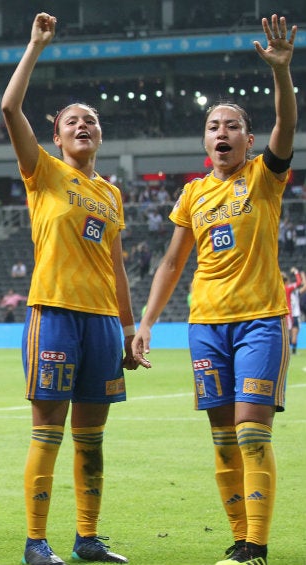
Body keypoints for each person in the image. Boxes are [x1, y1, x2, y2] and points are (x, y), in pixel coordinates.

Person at [133, 15, 297, 565]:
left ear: (248, 139)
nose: (221, 133)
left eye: (231, 126)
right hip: (205, 325)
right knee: (224, 438)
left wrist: (282, 75)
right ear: (205, 140)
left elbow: (286, 126)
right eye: (212, 126)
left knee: (252, 433)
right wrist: (148, 323)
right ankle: (237, 537)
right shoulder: (193, 194)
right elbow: (172, 262)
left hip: (260, 320)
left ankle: (256, 544)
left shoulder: (264, 178)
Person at [1, 13, 140, 565]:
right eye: (73, 122)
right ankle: (36, 541)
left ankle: (87, 537)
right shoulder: (45, 174)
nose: (84, 125)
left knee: (92, 437)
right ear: (56, 136)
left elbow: (117, 265)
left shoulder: (110, 194)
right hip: (54, 313)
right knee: (48, 431)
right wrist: (35, 46)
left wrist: (129, 330)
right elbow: (10, 110)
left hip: (103, 322)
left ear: (100, 135)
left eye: (92, 121)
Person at [282, 268, 302, 353]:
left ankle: (284, 349)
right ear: (286, 281)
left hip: (280, 313)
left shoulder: (277, 288)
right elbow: (299, 283)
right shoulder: (287, 288)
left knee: (284, 332)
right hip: (287, 313)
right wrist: (296, 272)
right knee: (289, 332)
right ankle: (286, 350)